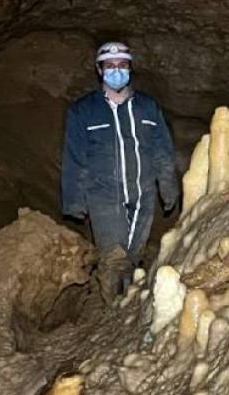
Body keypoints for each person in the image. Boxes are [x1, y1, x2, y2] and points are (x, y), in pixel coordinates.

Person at [61, 41, 180, 291]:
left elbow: (162, 150)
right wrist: (74, 201)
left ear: (130, 67)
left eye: (122, 65)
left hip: (143, 195)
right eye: (110, 66)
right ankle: (113, 309)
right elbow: (75, 158)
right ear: (99, 69)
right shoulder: (83, 111)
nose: (116, 70)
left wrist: (169, 187)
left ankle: (126, 306)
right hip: (103, 195)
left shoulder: (147, 106)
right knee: (114, 258)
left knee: (133, 257)